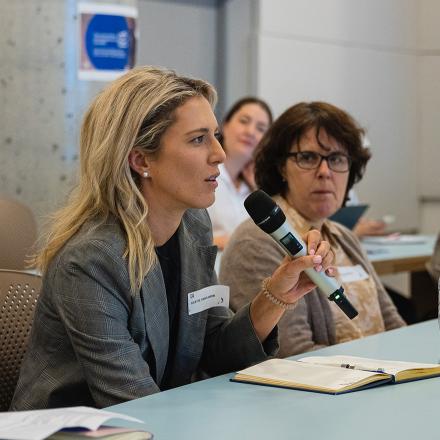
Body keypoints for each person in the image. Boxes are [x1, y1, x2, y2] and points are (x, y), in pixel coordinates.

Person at [11, 68, 334, 410]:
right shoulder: (90, 261)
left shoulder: (192, 226)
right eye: (198, 139)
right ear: (141, 159)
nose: (220, 154)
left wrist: (277, 296)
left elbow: (215, 351)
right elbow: (136, 404)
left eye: (215, 135)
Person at [220, 101, 405, 358]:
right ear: (281, 167)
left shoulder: (343, 236)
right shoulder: (256, 241)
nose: (325, 172)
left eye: (337, 159)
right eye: (308, 158)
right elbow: (295, 355)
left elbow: (395, 327)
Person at [207, 97, 272, 249]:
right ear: (225, 125)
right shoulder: (204, 173)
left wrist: (257, 188)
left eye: (260, 129)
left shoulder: (254, 187)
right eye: (244, 121)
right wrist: (228, 242)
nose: (250, 132)